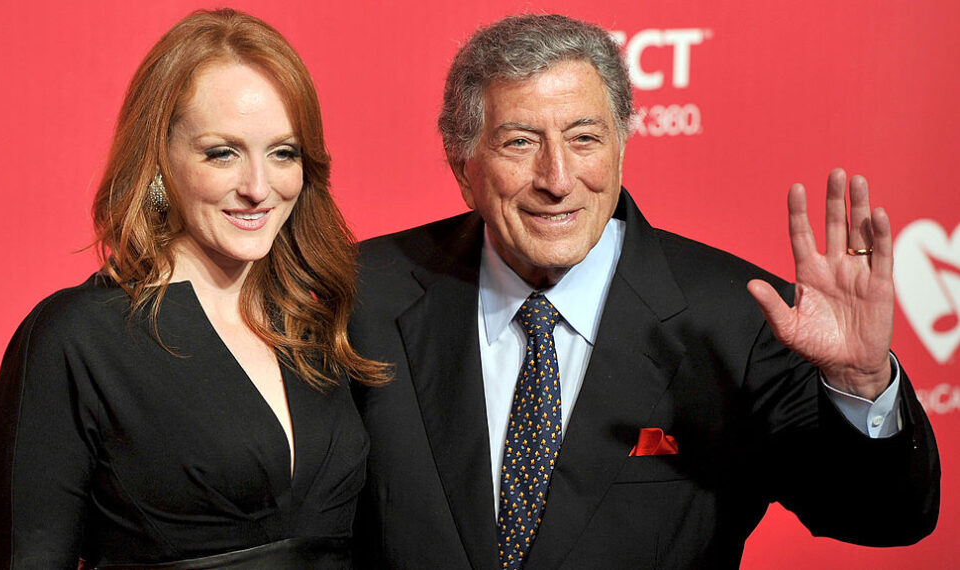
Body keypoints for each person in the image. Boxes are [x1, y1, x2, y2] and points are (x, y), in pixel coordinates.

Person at [349, 14, 939, 569]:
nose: (558, 179)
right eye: (521, 142)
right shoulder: (360, 296)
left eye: (584, 139)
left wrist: (861, 383)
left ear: (622, 147)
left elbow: (885, 517)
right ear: (462, 165)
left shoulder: (739, 320)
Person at [0, 9, 387, 569]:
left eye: (283, 153)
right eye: (222, 152)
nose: (257, 188)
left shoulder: (319, 329)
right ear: (160, 159)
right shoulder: (74, 338)